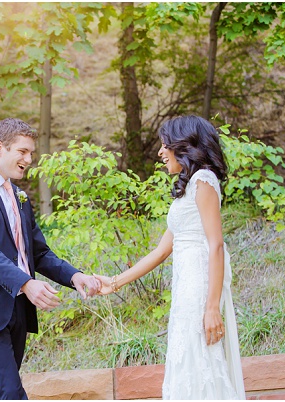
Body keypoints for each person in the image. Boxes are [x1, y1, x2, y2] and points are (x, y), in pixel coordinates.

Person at [0, 118, 101, 399]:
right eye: (23, 151)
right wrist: (26, 283)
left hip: (17, 308)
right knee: (11, 392)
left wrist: (75, 276)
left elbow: (38, 252)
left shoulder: (19, 196)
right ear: (0, 148)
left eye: (31, 153)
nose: (29, 159)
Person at [93, 115, 245, 399]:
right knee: (185, 355)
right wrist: (113, 283)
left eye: (166, 145)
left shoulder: (203, 180)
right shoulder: (187, 187)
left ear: (185, 146)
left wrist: (212, 307)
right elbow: (162, 251)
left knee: (200, 356)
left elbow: (216, 246)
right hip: (186, 287)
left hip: (201, 286)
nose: (160, 153)